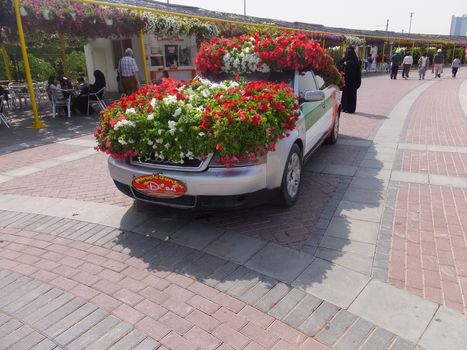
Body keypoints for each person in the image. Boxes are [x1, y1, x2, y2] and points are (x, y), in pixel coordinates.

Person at [339, 46, 361, 114]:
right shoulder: (356, 61)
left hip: (346, 81)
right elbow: (359, 74)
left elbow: (339, 68)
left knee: (346, 95)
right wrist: (358, 83)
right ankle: (350, 108)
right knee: (351, 95)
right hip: (352, 83)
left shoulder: (345, 60)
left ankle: (345, 107)